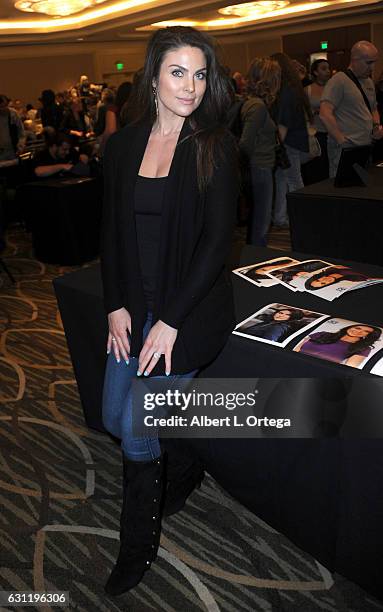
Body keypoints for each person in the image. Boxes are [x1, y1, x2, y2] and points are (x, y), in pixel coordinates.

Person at [100, 25, 239, 596]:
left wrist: (171, 320)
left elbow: (215, 244)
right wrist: (114, 305)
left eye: (200, 73)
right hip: (135, 306)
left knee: (134, 428)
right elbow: (111, 229)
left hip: (189, 313)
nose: (191, 86)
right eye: (178, 72)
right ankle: (183, 465)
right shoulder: (125, 143)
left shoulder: (213, 144)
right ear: (153, 76)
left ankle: (137, 547)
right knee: (114, 415)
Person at [320, 41, 383, 177]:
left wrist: (377, 125)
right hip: (345, 149)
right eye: (369, 62)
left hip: (366, 146)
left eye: (374, 62)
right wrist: (341, 140)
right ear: (355, 60)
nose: (372, 67)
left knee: (362, 189)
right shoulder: (338, 80)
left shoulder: (369, 82)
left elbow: (373, 109)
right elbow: (325, 114)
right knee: (342, 190)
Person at [239, 57, 280, 246]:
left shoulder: (254, 103)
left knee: (259, 222)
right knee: (261, 224)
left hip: (259, 168)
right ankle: (256, 264)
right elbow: (245, 143)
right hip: (259, 168)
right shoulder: (258, 106)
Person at [271, 53, 311, 228]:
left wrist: (277, 146)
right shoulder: (292, 87)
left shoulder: (287, 91)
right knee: (283, 179)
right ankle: (280, 217)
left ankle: (301, 217)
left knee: (293, 181)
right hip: (293, 142)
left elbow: (284, 124)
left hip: (289, 143)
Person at [294, 323, 381, 368]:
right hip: (295, 361)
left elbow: (349, 367)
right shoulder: (323, 334)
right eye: (357, 328)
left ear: (368, 335)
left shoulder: (363, 348)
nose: (359, 331)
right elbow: (297, 348)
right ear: (350, 327)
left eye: (366, 332)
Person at [303, 59, 331, 184]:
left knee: (330, 167)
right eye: (323, 68)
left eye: (328, 68)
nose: (327, 71)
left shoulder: (333, 88)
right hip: (316, 133)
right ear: (315, 72)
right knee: (317, 169)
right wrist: (313, 112)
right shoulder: (307, 90)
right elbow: (302, 112)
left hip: (332, 132)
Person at [304, 266, 378, 291]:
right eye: (323, 283)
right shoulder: (352, 280)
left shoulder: (331, 269)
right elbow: (373, 279)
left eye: (318, 280)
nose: (324, 280)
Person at [0, 94, 25, 161]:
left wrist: (21, 145)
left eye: (4, 106)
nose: (2, 109)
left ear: (7, 104)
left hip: (13, 150)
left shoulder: (13, 114)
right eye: (0, 107)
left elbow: (21, 133)